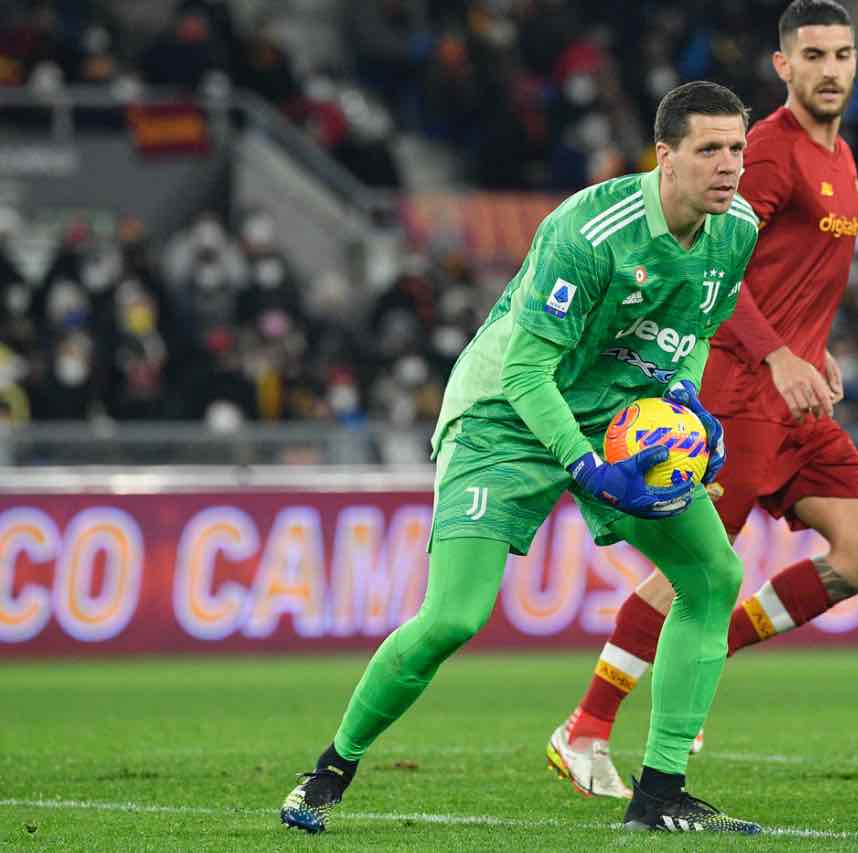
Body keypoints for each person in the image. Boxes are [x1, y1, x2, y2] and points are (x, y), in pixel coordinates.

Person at [278, 81, 763, 835]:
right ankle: (331, 768)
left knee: (714, 575)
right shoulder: (590, 231)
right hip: (504, 416)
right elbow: (526, 372)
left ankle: (660, 795)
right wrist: (586, 467)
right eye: (709, 149)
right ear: (665, 157)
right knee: (453, 617)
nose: (728, 165)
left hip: (615, 412)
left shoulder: (737, 230)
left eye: (737, 147)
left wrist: (686, 407)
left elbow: (694, 332)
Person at [547, 0, 858, 799]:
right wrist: (776, 351)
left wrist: (812, 344)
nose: (830, 70)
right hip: (738, 388)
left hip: (798, 394)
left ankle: (709, 650)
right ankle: (585, 726)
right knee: (692, 569)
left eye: (842, 55)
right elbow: (716, 270)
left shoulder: (841, 156)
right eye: (814, 56)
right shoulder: (764, 151)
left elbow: (789, 273)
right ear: (783, 65)